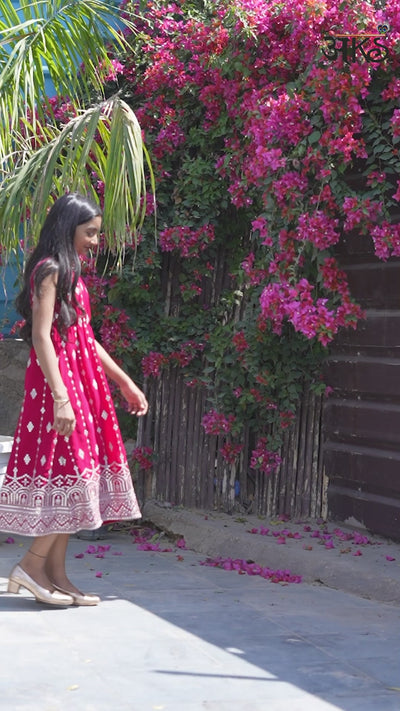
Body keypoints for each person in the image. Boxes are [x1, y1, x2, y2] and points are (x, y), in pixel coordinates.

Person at [0, 192, 148, 606]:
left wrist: (122, 381)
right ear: (69, 230)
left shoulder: (71, 273)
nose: (96, 242)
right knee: (78, 478)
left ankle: (56, 575)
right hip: (59, 387)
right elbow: (41, 335)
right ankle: (30, 566)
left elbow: (85, 337)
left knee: (75, 476)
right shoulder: (48, 271)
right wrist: (62, 397)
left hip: (82, 384)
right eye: (91, 233)